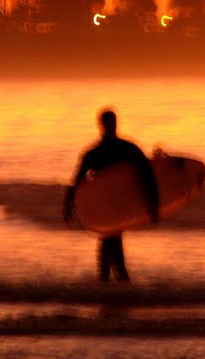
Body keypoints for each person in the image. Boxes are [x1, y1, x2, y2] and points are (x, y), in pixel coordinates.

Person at [64, 108, 160, 282]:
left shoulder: (123, 149)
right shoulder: (100, 152)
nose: (110, 126)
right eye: (108, 123)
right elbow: (77, 182)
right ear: (102, 125)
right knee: (111, 239)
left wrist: (153, 203)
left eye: (111, 122)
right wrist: (68, 205)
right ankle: (115, 281)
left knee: (110, 239)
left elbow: (147, 175)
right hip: (107, 205)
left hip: (121, 203)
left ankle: (109, 280)